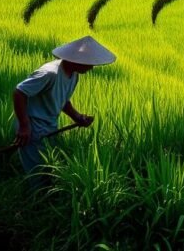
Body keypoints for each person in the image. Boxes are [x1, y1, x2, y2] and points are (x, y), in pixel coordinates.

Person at [12, 35, 116, 176]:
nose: (91, 67)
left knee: (49, 169)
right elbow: (20, 92)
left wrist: (77, 117)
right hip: (32, 126)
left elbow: (61, 99)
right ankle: (33, 196)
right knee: (37, 173)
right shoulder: (49, 73)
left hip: (49, 126)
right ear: (77, 60)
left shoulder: (73, 74)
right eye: (89, 63)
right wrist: (24, 126)